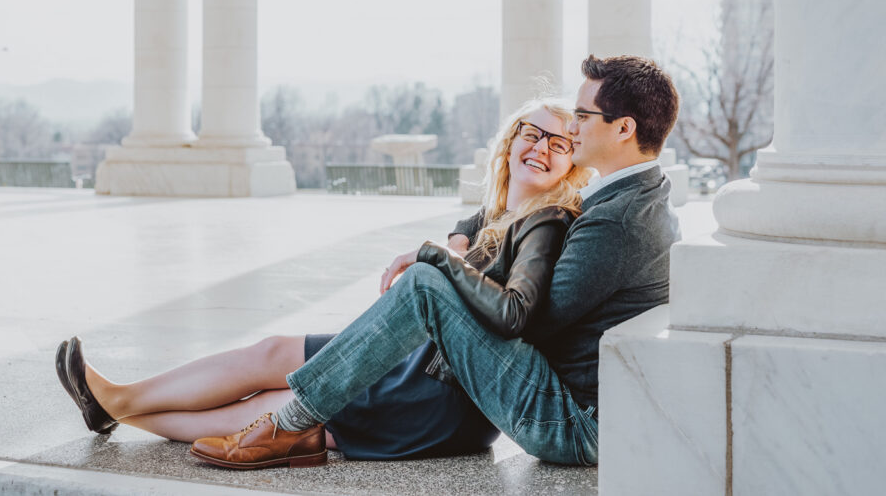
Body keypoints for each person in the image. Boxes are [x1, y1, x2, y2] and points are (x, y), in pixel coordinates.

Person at [189, 54, 681, 470]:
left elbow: (528, 321)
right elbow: (501, 219)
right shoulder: (638, 195)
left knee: (425, 282)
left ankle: (292, 425)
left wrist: (440, 266)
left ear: (624, 128)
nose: (572, 127)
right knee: (429, 282)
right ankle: (303, 417)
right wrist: (462, 242)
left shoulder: (618, 219)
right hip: (581, 408)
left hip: (568, 423)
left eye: (583, 116)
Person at [55, 99, 592, 461]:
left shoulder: (546, 222)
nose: (541, 148)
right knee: (270, 352)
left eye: (558, 144)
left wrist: (441, 256)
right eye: (532, 134)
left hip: (439, 396)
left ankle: (116, 407)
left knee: (263, 405)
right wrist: (455, 245)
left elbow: (515, 309)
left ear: (572, 164)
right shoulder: (495, 214)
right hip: (413, 360)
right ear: (510, 142)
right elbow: (467, 235)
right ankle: (120, 400)